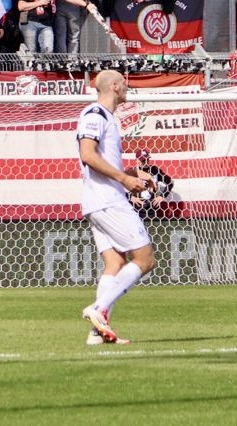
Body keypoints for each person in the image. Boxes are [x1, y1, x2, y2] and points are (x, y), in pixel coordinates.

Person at [77, 69, 156, 346]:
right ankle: (98, 309)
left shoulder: (106, 117)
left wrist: (130, 175)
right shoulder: (94, 115)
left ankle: (97, 332)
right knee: (145, 259)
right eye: (124, 83)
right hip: (107, 199)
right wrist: (124, 179)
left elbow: (101, 158)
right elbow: (87, 155)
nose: (128, 86)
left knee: (114, 262)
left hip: (100, 199)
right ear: (113, 86)